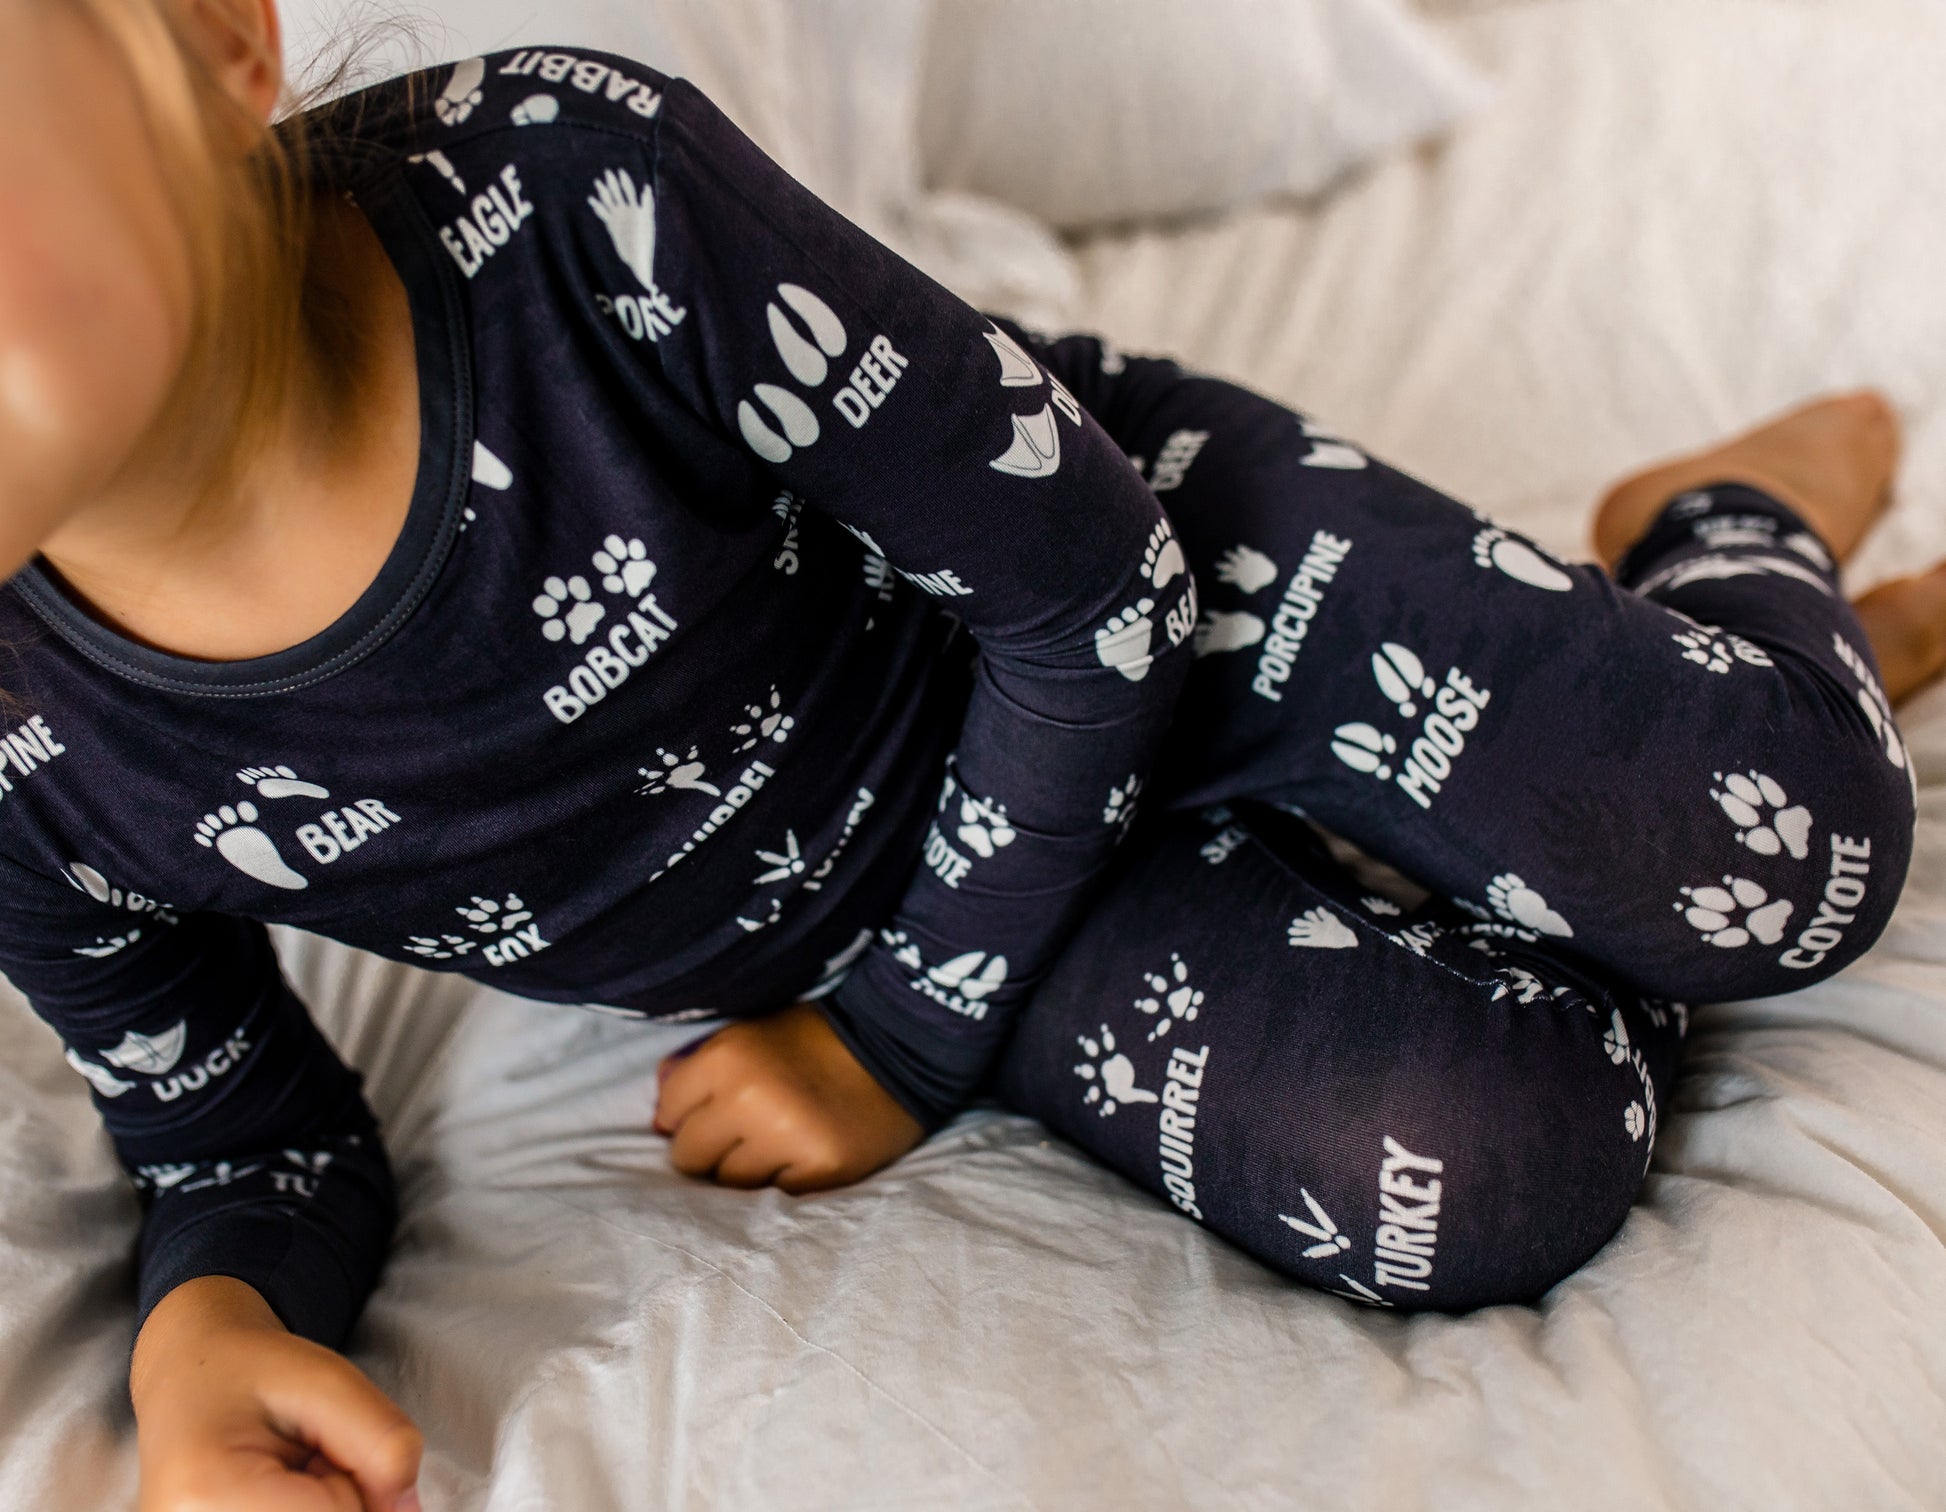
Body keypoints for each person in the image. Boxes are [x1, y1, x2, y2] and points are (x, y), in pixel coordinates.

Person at [2, 2, 1939, 1507]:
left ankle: (1724, 520)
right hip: (944, 908)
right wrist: (208, 1336)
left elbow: (1086, 586)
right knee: (1478, 1170)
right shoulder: (23, 752)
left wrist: (898, 1045)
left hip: (1140, 588)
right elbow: (240, 1134)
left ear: (205, 34)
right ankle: (1459, 821)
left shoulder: (564, 189)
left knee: (1777, 857)